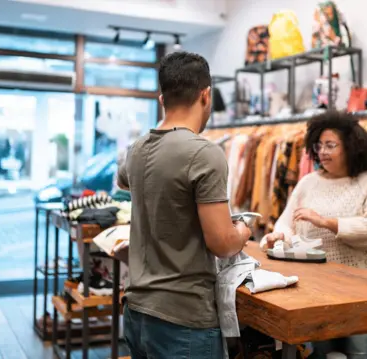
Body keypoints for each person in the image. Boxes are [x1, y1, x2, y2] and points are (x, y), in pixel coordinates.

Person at [119, 52, 252, 358]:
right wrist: (243, 229)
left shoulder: (137, 149)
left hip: (137, 312)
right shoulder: (203, 153)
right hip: (182, 318)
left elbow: (124, 181)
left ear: (161, 98)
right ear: (206, 95)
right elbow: (222, 244)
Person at [261, 111, 367, 359]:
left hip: (365, 291)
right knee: (320, 355)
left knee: (361, 355)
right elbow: (287, 221)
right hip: (314, 291)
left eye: (330, 145)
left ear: (351, 147)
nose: (322, 151)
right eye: (319, 145)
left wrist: (327, 222)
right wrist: (278, 236)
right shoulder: (308, 182)